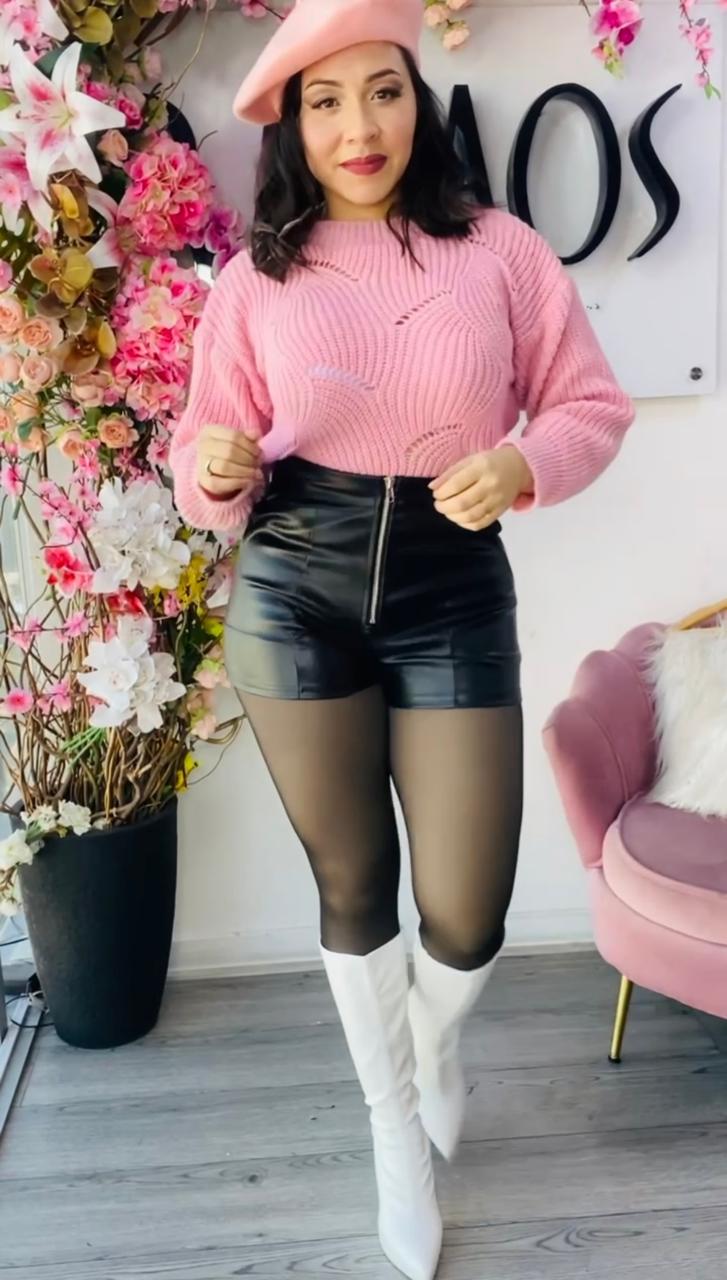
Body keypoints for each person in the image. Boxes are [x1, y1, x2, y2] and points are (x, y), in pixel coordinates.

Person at [169, 1, 634, 1275]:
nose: (358, 126)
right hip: (294, 586)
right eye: (324, 103)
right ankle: (393, 1130)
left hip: (451, 588)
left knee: (467, 913)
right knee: (353, 883)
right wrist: (211, 469)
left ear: (414, 102)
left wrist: (523, 462)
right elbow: (203, 452)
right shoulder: (258, 279)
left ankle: (429, 1041)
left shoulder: (498, 251)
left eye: (381, 91)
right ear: (293, 129)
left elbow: (589, 405)